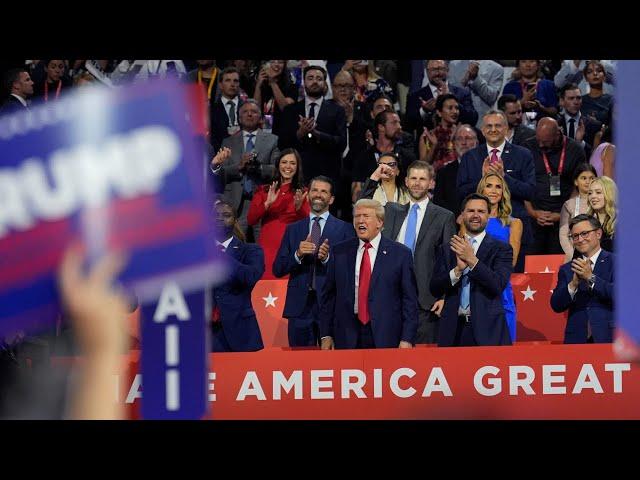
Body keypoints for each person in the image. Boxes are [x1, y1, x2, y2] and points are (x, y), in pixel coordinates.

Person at [359, 160, 456, 343]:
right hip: (389, 300)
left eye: (422, 179)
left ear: (431, 183)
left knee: (421, 361)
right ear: (406, 181)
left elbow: (448, 260)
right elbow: (362, 207)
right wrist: (374, 178)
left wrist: (445, 297)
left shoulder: (444, 216)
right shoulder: (391, 211)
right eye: (413, 178)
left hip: (425, 303)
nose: (417, 183)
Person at [319, 198, 419, 349]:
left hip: (386, 335)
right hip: (347, 334)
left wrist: (407, 338)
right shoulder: (339, 252)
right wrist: (326, 334)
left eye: (366, 216)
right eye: (357, 216)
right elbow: (329, 297)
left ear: (379, 222)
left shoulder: (400, 254)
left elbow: (409, 300)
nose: (360, 220)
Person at [273, 176, 356, 347]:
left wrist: (328, 259)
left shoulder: (345, 229)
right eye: (314, 190)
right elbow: (278, 268)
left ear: (331, 199)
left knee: (331, 364)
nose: (318, 194)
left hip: (331, 306)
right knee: (299, 364)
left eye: (323, 191)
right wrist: (298, 254)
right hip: (299, 307)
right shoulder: (293, 229)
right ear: (308, 194)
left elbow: (351, 270)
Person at [431, 193, 513, 347]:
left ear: (488, 215)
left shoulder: (502, 249)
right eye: (471, 211)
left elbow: (497, 285)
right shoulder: (448, 248)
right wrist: (457, 271)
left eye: (481, 212)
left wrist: (472, 260)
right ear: (462, 215)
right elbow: (434, 288)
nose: (476, 215)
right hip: (453, 331)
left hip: (488, 331)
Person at [457, 110, 535, 271]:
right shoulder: (470, 157)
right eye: (489, 126)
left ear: (506, 129)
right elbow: (460, 192)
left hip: (514, 228)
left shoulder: (523, 154)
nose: (493, 129)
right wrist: (482, 178)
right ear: (483, 130)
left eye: (498, 125)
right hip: (478, 228)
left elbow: (531, 191)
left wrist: (504, 177)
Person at [209, 100, 280, 239]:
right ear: (239, 118)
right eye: (245, 112)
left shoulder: (272, 140)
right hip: (235, 202)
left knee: (263, 244)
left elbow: (276, 170)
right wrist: (239, 166)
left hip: (262, 201)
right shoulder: (228, 142)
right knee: (235, 242)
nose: (249, 114)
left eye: (254, 112)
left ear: (260, 118)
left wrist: (258, 167)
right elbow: (221, 173)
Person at [524, 117, 586, 254]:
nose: (540, 145)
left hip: (564, 220)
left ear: (557, 134)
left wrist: (563, 214)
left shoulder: (575, 150)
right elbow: (522, 184)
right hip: (534, 218)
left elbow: (580, 186)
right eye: (538, 139)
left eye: (545, 141)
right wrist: (533, 213)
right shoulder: (528, 147)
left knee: (559, 265)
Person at [277, 65, 347, 188]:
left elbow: (341, 143)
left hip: (327, 175)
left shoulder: (337, 110)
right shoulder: (290, 110)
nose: (315, 81)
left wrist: (317, 134)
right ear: (304, 82)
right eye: (310, 78)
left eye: (319, 78)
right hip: (297, 175)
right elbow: (282, 144)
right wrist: (299, 133)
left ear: (325, 83)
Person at [210, 199, 265, 352]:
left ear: (235, 220)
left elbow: (251, 276)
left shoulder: (251, 250)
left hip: (241, 332)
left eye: (226, 215)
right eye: (215, 215)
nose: (219, 218)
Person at [247, 149, 310, 279]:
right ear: (278, 165)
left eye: (292, 163)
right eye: (284, 162)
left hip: (291, 249)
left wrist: (299, 208)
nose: (288, 166)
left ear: (297, 167)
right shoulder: (265, 190)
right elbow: (250, 220)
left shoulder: (303, 193)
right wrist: (266, 204)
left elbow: (311, 224)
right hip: (267, 249)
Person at [550, 214, 614, 344]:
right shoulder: (567, 269)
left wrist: (591, 278)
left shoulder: (617, 262)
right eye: (575, 236)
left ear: (598, 234)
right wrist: (573, 284)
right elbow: (556, 305)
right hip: (577, 339)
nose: (580, 239)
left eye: (585, 233)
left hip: (610, 336)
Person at [475, 173, 521, 342]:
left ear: (503, 192)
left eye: (498, 186)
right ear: (481, 189)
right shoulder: (468, 220)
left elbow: (512, 260)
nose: (493, 190)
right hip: (475, 285)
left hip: (500, 286)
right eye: (489, 186)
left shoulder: (514, 223)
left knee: (504, 344)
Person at [432, 124, 478, 219]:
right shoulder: (443, 173)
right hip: (452, 224)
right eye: (459, 139)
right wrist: (456, 216)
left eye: (468, 138)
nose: (463, 142)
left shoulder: (485, 170)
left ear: (476, 142)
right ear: (453, 144)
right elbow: (438, 203)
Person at [559, 163, 597, 261]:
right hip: (575, 256)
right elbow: (563, 234)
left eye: (591, 178)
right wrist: (572, 254)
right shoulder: (568, 205)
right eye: (583, 178)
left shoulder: (600, 203)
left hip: (597, 255)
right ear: (576, 181)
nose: (588, 181)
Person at [502, 60, 558, 125]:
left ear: (538, 65)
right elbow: (504, 112)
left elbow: (554, 111)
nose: (528, 65)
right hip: (518, 129)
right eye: (524, 61)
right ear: (518, 66)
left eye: (532, 61)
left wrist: (541, 107)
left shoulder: (548, 85)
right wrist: (522, 102)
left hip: (543, 127)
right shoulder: (510, 87)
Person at [418, 93, 461, 172]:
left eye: (457, 108)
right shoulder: (428, 136)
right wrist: (434, 145)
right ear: (439, 112)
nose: (455, 111)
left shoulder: (463, 133)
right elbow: (423, 166)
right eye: (450, 108)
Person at [254, 60, 298, 135]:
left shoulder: (291, 87)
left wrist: (272, 82)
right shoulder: (256, 84)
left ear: (284, 66)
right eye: (272, 61)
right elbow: (255, 108)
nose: (276, 64)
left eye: (280, 62)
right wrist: (258, 85)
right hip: (259, 132)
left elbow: (285, 108)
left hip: (281, 132)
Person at [209, 67, 243, 151]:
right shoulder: (211, 110)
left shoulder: (247, 106)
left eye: (235, 81)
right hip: (220, 154)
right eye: (228, 80)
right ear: (220, 85)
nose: (232, 84)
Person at [587, 176, 617, 253]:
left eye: (598, 192)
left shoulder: (620, 223)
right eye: (590, 193)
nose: (593, 196)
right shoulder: (587, 222)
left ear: (609, 194)